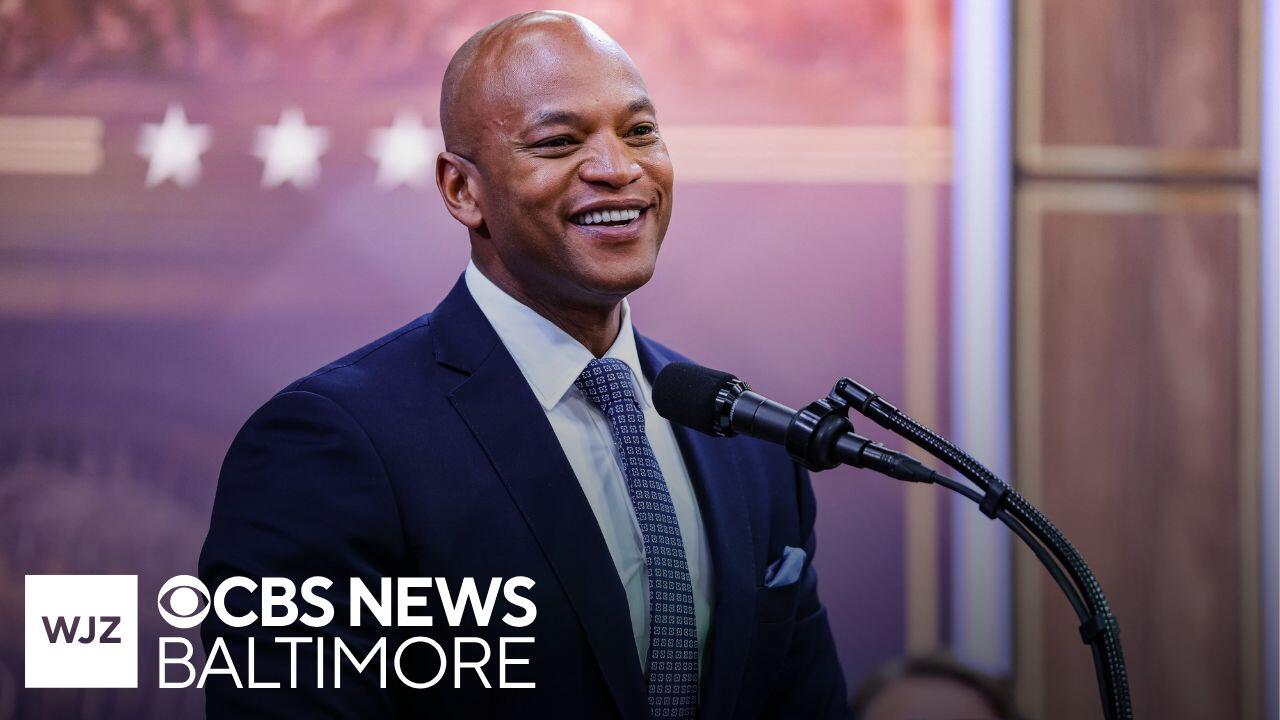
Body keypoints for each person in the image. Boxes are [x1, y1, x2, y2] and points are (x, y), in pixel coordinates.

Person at [198, 10, 850, 719]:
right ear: (462, 190)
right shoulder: (330, 445)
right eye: (559, 142)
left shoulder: (751, 446)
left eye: (640, 131)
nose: (618, 169)